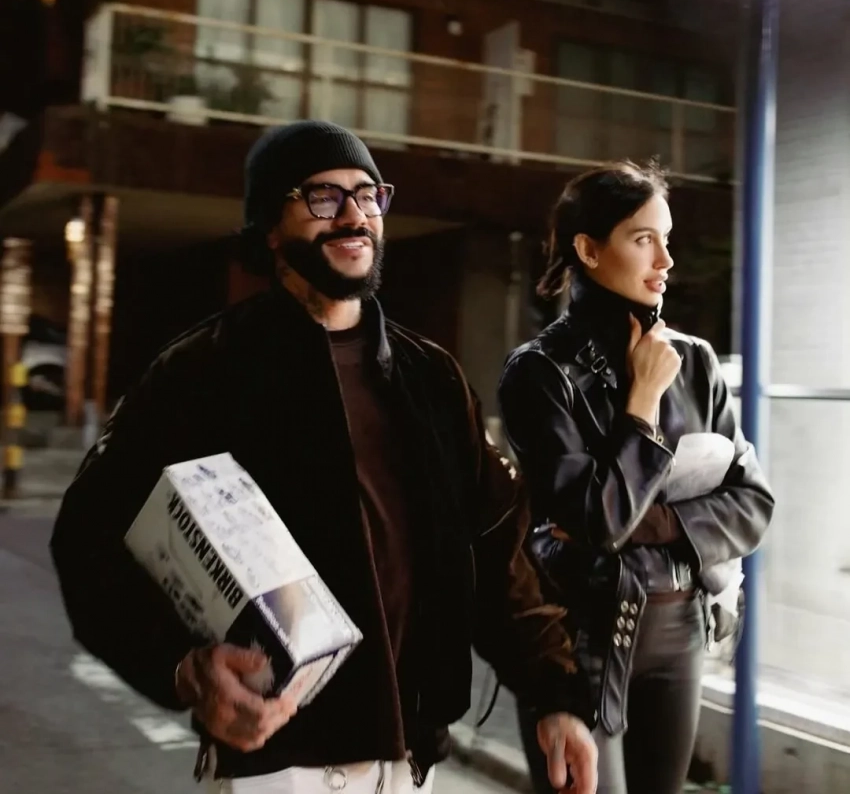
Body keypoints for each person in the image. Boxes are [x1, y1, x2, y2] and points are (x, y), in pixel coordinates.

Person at [50, 121, 597, 794]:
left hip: (411, 758)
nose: (353, 215)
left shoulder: (430, 378)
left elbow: (498, 554)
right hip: (276, 755)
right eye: (321, 196)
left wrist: (555, 694)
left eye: (368, 195)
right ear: (269, 229)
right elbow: (87, 540)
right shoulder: (203, 372)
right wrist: (182, 668)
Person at [497, 162, 775, 794]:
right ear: (589, 249)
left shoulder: (695, 360)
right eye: (644, 239)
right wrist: (643, 403)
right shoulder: (540, 373)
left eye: (666, 238)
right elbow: (598, 521)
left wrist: (655, 523)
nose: (666, 260)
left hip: (680, 632)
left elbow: (753, 504)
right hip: (577, 638)